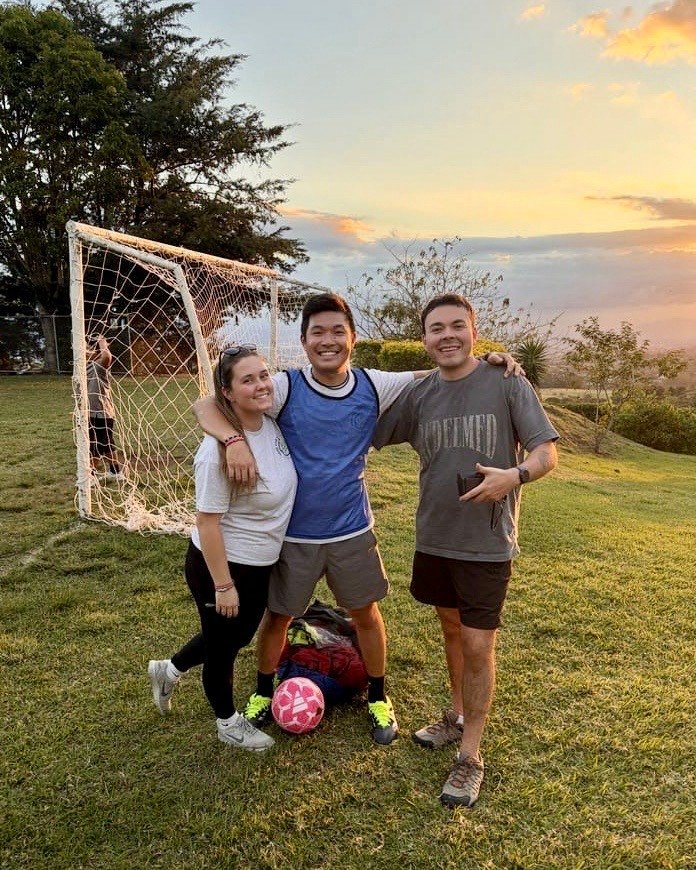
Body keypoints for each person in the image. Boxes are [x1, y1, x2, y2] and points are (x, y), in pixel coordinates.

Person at [194, 292, 521, 746]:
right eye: (317, 333)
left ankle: (378, 695)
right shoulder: (285, 387)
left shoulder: (376, 383)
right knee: (280, 617)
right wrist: (232, 440)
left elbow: (444, 369)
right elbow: (207, 404)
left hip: (353, 531)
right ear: (304, 342)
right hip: (295, 536)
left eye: (337, 331)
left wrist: (490, 360)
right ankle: (263, 691)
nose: (328, 341)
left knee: (366, 614)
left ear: (353, 338)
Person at [372, 293, 559, 807]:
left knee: (478, 646)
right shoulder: (419, 394)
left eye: (458, 325)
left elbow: (546, 451)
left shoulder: (506, 382)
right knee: (451, 630)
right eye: (437, 328)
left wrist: (514, 476)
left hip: (486, 544)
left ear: (475, 330)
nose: (447, 335)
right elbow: (365, 424)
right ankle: (455, 716)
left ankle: (470, 758)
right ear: (425, 338)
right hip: (435, 538)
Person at [148, 345, 297, 751]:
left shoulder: (269, 419)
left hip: (259, 562)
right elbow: (207, 522)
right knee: (224, 647)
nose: (261, 385)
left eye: (263, 375)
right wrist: (223, 585)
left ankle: (169, 669)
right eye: (247, 380)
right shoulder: (214, 455)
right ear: (227, 393)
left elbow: (207, 404)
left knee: (231, 637)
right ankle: (227, 722)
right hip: (223, 565)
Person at [86, 335, 123, 479]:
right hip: (89, 413)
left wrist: (102, 343)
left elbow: (107, 356)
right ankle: (115, 472)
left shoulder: (99, 365)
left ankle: (91, 476)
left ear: (95, 352)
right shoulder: (85, 367)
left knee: (95, 444)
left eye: (86, 348)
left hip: (102, 413)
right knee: (105, 444)